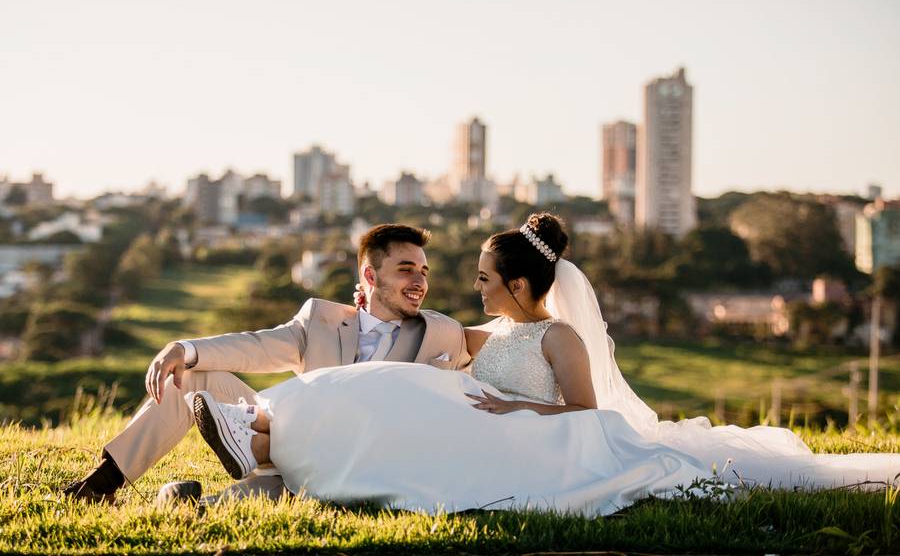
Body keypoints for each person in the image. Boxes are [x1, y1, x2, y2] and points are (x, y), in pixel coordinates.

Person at [191, 213, 900, 516]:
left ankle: (256, 434)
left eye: (484, 279)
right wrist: (374, 304)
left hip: (531, 434)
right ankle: (252, 431)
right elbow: (433, 332)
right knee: (391, 384)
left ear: (520, 285)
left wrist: (515, 407)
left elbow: (586, 414)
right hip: (484, 422)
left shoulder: (560, 340)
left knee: (399, 394)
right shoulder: (486, 332)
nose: (476, 288)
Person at [63, 223, 470, 503]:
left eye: (424, 271)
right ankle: (101, 484)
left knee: (229, 503)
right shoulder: (321, 321)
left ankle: (213, 483)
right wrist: (183, 348)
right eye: (406, 270)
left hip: (353, 465)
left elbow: (488, 354)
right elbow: (255, 346)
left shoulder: (442, 334)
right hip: (289, 439)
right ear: (370, 275)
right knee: (192, 375)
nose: (420, 282)